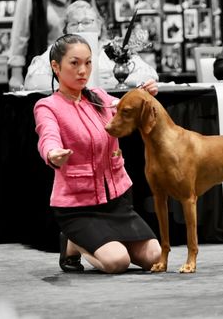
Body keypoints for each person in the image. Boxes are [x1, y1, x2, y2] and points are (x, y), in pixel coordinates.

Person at [33, 34, 161, 273]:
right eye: (74, 63)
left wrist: (144, 94)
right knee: (117, 262)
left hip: (116, 200)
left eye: (88, 62)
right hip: (77, 206)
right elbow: (47, 135)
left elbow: (127, 108)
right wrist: (52, 153)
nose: (83, 70)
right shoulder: (47, 106)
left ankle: (101, 242)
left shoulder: (100, 97)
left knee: (155, 257)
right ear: (56, 67)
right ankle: (73, 243)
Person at [24, 0, 158, 91]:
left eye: (86, 22)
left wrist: (117, 81)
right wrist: (73, 82)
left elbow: (149, 75)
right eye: (74, 24)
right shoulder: (58, 50)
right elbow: (32, 81)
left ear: (99, 26)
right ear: (66, 30)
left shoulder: (115, 49)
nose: (80, 28)